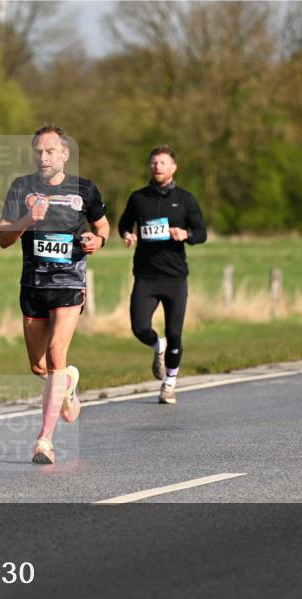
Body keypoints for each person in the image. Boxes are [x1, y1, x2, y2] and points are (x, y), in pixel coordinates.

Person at [0, 125, 110, 464]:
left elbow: (102, 226)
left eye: (50, 152)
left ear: (64, 154)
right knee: (39, 365)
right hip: (33, 284)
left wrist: (98, 241)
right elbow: (2, 238)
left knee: (56, 350)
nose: (43, 158)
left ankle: (44, 440)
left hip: (69, 282)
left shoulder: (85, 190)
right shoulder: (21, 187)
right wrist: (29, 218)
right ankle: (66, 385)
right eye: (38, 152)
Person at [118, 146, 207, 405]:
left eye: (163, 163)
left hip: (174, 277)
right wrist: (127, 234)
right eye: (154, 162)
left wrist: (186, 235)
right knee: (139, 327)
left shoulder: (186, 199)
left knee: (175, 332)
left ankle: (169, 384)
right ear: (150, 166)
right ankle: (158, 346)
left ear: (173, 168)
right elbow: (124, 223)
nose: (158, 166)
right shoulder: (138, 198)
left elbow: (202, 232)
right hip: (146, 275)